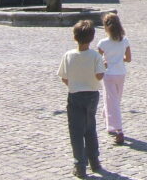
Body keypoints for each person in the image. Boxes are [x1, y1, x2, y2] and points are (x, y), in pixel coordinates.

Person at [57, 20, 106, 179]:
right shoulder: (95, 56)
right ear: (92, 38)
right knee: (90, 127)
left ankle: (80, 166)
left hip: (75, 94)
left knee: (76, 131)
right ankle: (94, 161)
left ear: (75, 37)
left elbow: (64, 78)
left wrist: (75, 84)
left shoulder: (68, 55)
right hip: (92, 94)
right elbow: (99, 76)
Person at [97, 12, 132, 145]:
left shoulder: (103, 43)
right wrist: (119, 58)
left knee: (112, 101)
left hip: (109, 74)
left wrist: (106, 61)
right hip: (121, 73)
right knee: (115, 99)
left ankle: (119, 130)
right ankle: (108, 120)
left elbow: (97, 59)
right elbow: (128, 59)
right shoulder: (125, 40)